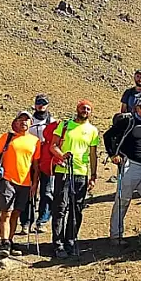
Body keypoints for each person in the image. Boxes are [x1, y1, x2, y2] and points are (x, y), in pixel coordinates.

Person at [103, 96, 141, 245]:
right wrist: (113, 155)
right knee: (123, 200)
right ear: (136, 108)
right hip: (129, 165)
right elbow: (108, 135)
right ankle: (116, 236)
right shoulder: (127, 121)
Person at [49, 100, 101, 258]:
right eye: (83, 108)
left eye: (88, 109)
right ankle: (58, 243)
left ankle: (70, 239)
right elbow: (53, 146)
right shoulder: (65, 126)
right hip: (63, 171)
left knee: (76, 208)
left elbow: (93, 154)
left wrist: (93, 175)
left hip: (81, 173)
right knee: (60, 207)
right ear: (77, 109)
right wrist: (62, 156)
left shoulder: (92, 130)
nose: (85, 111)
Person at [0, 111, 41, 257]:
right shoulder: (7, 137)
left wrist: (35, 184)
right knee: (6, 212)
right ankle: (4, 242)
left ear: (31, 123)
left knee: (16, 213)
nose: (24, 122)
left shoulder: (35, 141)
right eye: (21, 119)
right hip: (7, 180)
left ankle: (9, 242)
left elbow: (35, 165)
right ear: (16, 122)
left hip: (25, 183)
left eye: (27, 120)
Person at [19, 94, 57, 235]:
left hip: (47, 159)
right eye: (38, 103)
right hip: (29, 159)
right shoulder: (29, 120)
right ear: (34, 104)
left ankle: (42, 221)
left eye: (44, 103)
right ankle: (26, 222)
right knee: (29, 190)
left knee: (47, 191)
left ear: (48, 105)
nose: (41, 105)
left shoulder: (52, 121)